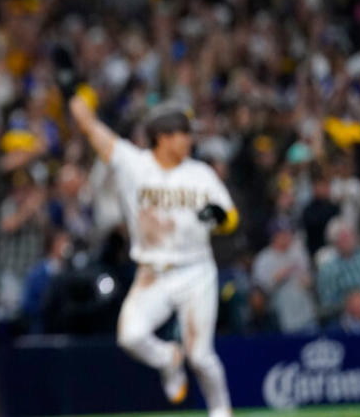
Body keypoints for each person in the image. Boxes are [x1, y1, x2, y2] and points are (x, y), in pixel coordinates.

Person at [69, 96, 237, 417]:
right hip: (152, 272)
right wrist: (82, 108)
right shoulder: (136, 164)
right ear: (163, 137)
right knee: (130, 337)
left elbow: (231, 217)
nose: (189, 138)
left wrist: (220, 217)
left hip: (196, 269)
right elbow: (96, 134)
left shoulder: (200, 173)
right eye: (182, 133)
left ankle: (221, 410)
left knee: (201, 356)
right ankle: (168, 359)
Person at [250, 217, 318, 333]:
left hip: (306, 313)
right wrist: (277, 277)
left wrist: (308, 281)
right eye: (283, 234)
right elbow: (258, 294)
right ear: (274, 236)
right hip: (279, 316)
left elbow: (310, 278)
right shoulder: (263, 259)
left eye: (288, 233)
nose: (287, 237)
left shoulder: (298, 253)